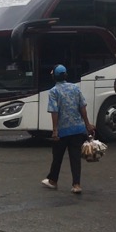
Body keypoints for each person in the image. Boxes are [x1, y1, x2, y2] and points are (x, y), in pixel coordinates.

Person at [41, 64, 95, 194]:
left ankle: (53, 181)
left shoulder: (54, 91)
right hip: (78, 129)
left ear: (54, 76)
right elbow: (82, 107)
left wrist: (55, 130)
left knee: (57, 156)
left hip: (63, 130)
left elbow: (54, 111)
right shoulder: (75, 88)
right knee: (75, 157)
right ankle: (76, 185)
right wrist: (87, 124)